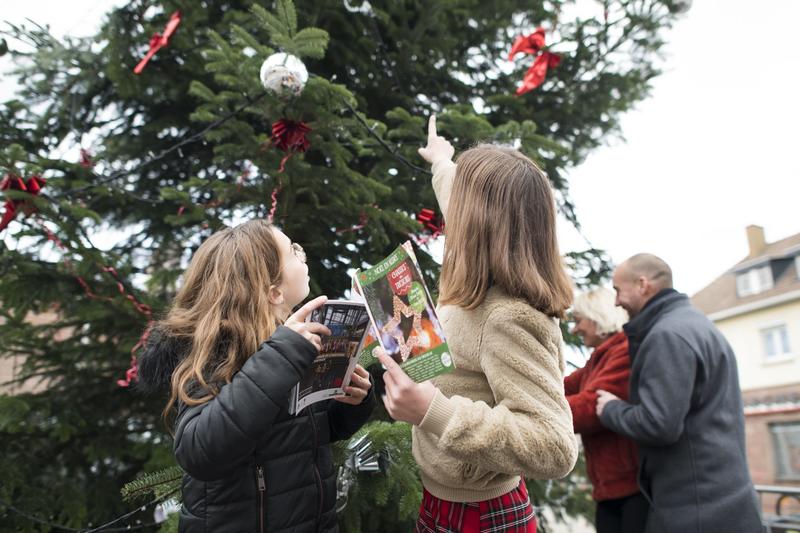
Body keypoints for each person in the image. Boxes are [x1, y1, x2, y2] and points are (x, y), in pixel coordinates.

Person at [377, 116, 579, 532]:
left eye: (461, 213)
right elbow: (457, 196)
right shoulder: (484, 260)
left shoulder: (508, 318)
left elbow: (554, 445)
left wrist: (434, 412)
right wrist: (441, 161)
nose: (451, 221)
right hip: (442, 502)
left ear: (481, 224)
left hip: (483, 517)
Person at [137, 219, 375, 533]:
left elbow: (306, 435)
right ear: (274, 291)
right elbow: (199, 452)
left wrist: (351, 403)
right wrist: (282, 356)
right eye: (293, 251)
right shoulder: (217, 356)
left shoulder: (294, 343)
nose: (302, 256)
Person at [596, 253, 762, 533]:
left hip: (696, 511)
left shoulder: (667, 336)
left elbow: (659, 424)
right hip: (726, 502)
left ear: (642, 284)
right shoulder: (697, 324)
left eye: (617, 290)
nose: (616, 302)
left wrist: (611, 409)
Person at [564, 287, 646, 533]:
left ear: (597, 316)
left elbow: (590, 407)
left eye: (579, 321)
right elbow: (562, 388)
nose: (574, 329)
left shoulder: (623, 352)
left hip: (630, 488)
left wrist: (539, 413)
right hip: (610, 487)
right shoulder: (599, 358)